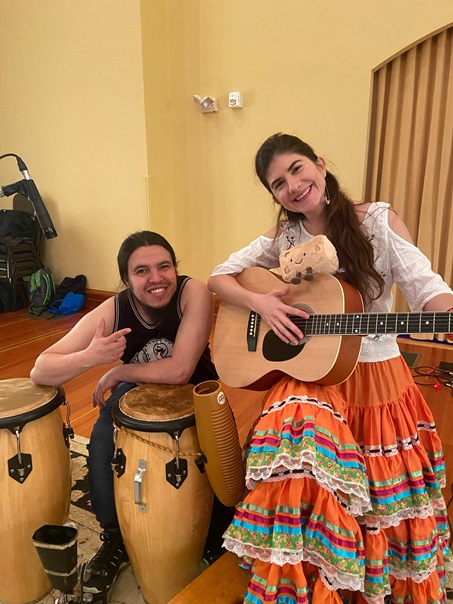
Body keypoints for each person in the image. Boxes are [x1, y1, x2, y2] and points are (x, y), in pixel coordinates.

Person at [207, 133, 453, 604]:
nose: (293, 185)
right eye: (279, 183)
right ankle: (309, 576)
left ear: (320, 164)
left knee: (379, 495)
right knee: (299, 460)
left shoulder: (375, 220)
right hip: (313, 375)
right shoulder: (286, 237)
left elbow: (427, 288)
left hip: (374, 374)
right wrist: (259, 300)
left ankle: (366, 577)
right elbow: (220, 275)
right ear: (275, 195)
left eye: (298, 169)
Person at [31, 231, 232, 599]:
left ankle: (216, 534)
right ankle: (115, 540)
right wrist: (91, 357)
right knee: (101, 444)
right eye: (142, 271)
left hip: (199, 392)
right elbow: (40, 370)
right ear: (126, 279)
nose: (156, 278)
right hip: (137, 398)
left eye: (164, 266)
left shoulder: (195, 293)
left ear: (175, 268)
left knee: (221, 468)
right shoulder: (114, 309)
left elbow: (180, 370)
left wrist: (118, 371)